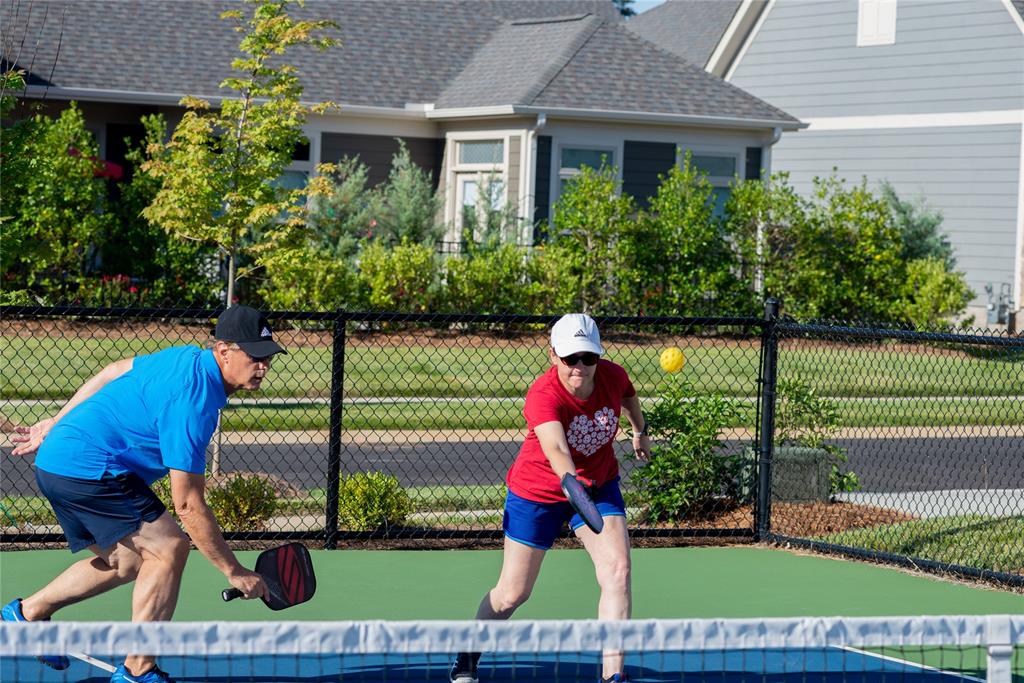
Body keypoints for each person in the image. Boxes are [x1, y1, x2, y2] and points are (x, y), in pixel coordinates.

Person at [2, 305, 287, 683]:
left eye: (267, 357)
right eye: (255, 356)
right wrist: (234, 571)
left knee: (130, 562)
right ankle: (138, 670)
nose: (263, 366)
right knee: (169, 547)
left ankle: (26, 615)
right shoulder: (194, 401)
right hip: (92, 468)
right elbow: (187, 504)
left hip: (60, 463)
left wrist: (58, 422)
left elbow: (110, 372)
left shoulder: (186, 357)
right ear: (223, 351)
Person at [450, 313, 651, 683]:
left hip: (598, 486)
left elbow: (629, 398)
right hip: (539, 492)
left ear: (598, 356)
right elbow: (557, 448)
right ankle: (468, 653)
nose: (580, 367)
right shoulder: (544, 395)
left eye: (588, 357)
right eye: (570, 357)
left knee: (618, 573)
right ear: (553, 355)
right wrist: (569, 482)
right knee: (512, 593)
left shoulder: (612, 375)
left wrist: (640, 430)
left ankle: (613, 676)